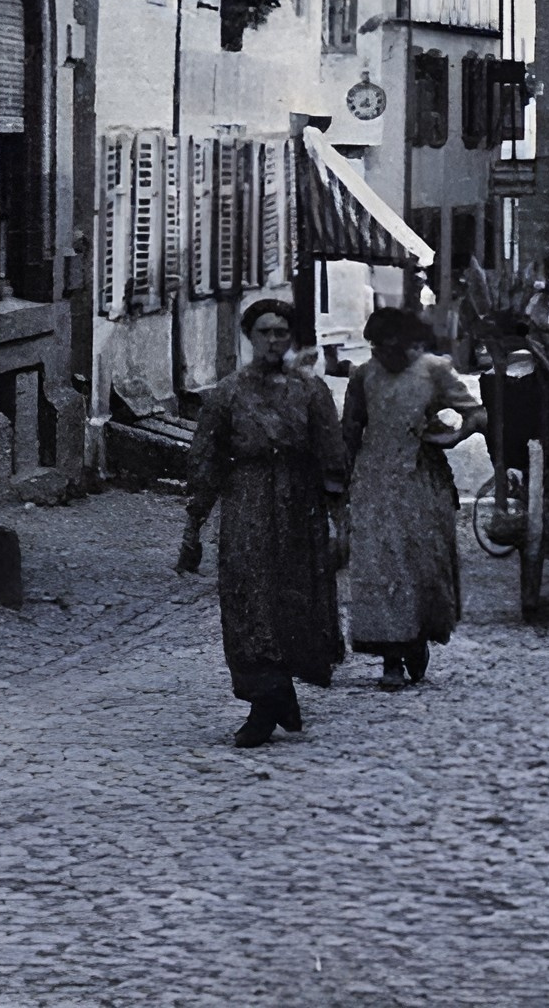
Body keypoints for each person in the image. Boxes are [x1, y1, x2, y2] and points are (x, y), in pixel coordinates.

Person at [179, 297, 349, 746]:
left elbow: (333, 457)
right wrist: (194, 523)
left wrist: (338, 520)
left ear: (291, 338)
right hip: (248, 504)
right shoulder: (228, 393)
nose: (274, 340)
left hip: (300, 507)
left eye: (281, 332)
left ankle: (278, 692)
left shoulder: (311, 392)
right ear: (249, 336)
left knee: (292, 600)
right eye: (265, 332)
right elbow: (206, 458)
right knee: (249, 598)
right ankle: (266, 699)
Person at [340, 305, 486, 689]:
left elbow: (476, 414)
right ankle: (390, 658)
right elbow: (350, 431)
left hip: (421, 480)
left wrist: (450, 437)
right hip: (375, 480)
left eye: (393, 347)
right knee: (380, 567)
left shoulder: (433, 370)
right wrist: (341, 484)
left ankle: (416, 639)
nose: (385, 354)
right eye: (377, 348)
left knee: (419, 565)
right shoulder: (364, 375)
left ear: (409, 345)